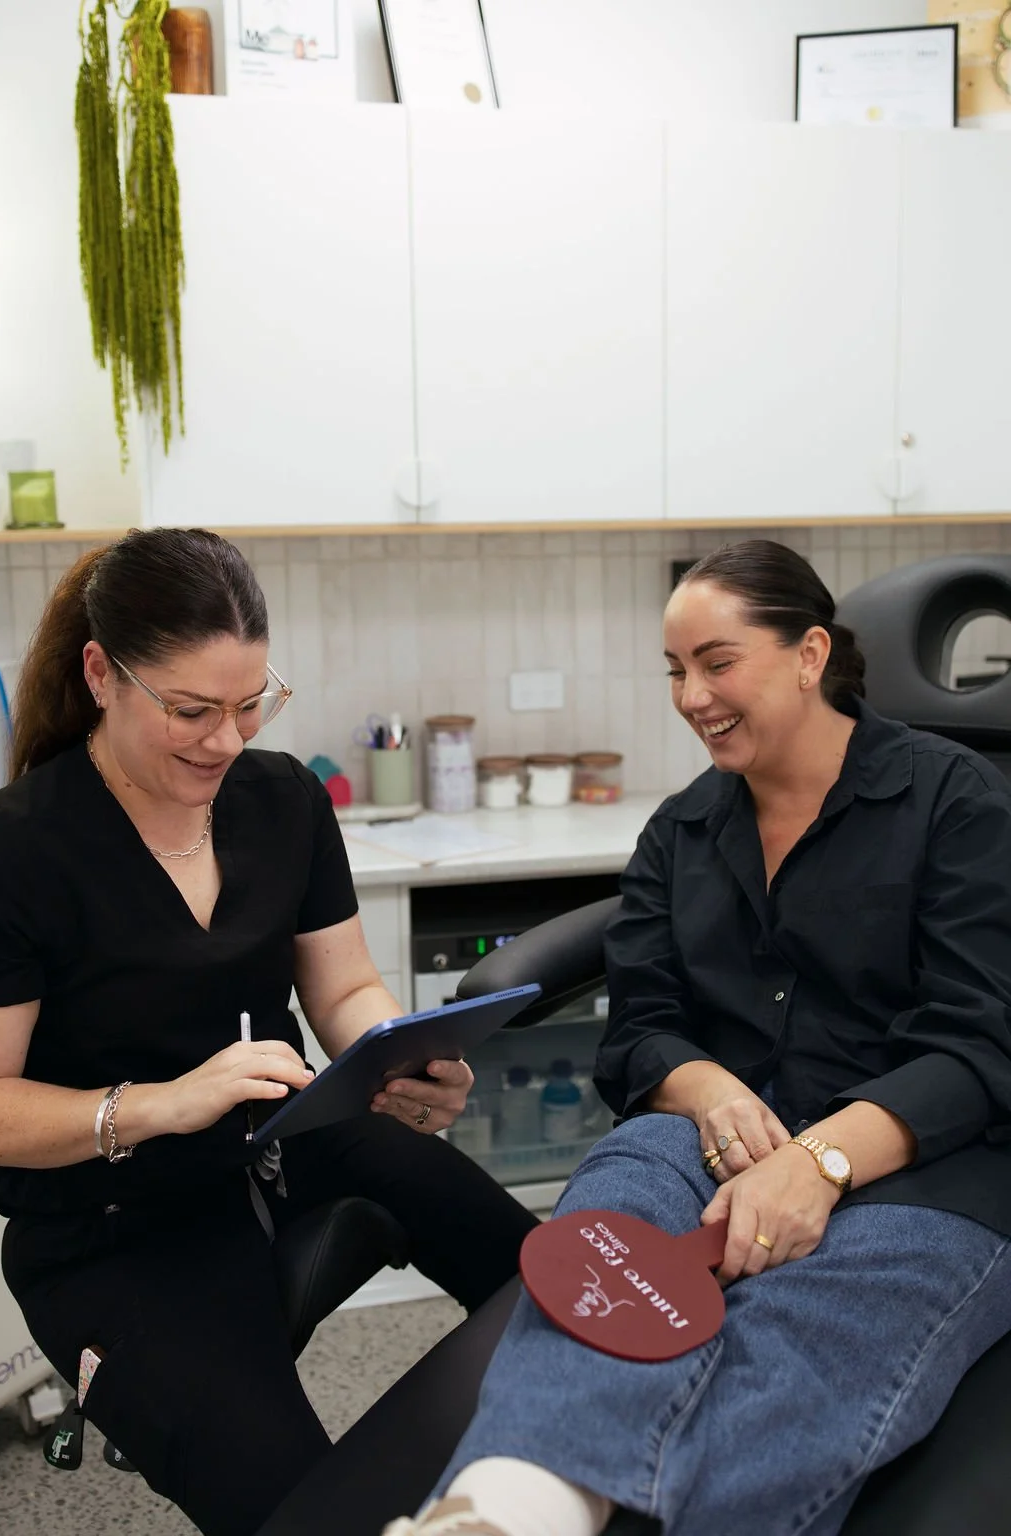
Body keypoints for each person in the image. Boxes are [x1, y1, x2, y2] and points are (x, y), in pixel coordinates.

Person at [384, 539, 1011, 1536]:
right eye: (675, 670)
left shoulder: (957, 802)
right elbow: (641, 1028)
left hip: (926, 1168)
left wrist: (819, 1161)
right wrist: (706, 1088)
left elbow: (982, 1045)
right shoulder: (679, 832)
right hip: (708, 1138)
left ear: (809, 656)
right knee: (601, 1258)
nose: (690, 696)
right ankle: (505, 1508)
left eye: (717, 663)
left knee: (793, 1338)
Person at [0, 528, 536, 1536]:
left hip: (291, 1138)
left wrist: (401, 1052)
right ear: (101, 676)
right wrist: (156, 1106)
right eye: (191, 711)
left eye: (250, 705)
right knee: (306, 1514)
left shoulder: (281, 800)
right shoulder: (18, 850)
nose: (225, 741)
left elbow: (345, 986)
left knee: (548, 1286)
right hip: (112, 1227)